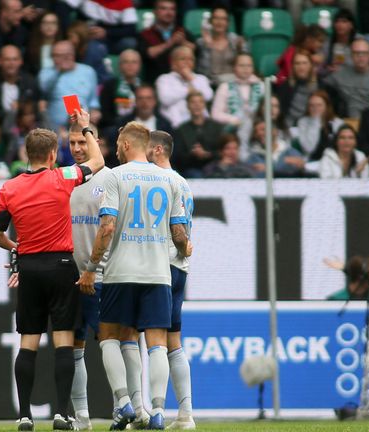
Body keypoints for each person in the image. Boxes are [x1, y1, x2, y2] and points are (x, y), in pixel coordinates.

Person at [0, 109, 104, 431]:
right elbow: (97, 163)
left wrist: (17, 248)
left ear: (28, 154)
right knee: (64, 340)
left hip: (29, 267)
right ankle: (60, 412)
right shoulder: (62, 177)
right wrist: (86, 128)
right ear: (53, 154)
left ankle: (24, 415)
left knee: (28, 341)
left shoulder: (9, 188)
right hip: (61, 266)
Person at [78, 121, 190, 430]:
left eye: (116, 144)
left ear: (127, 145)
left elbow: (107, 227)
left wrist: (90, 268)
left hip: (121, 272)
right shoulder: (171, 180)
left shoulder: (114, 176)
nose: (114, 149)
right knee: (157, 343)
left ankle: (125, 403)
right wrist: (185, 249)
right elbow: (179, 233)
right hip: (158, 273)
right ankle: (156, 411)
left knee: (109, 336)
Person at [145, 130, 196, 429]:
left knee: (154, 341)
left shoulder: (160, 181)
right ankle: (186, 414)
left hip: (162, 265)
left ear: (159, 149)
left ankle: (155, 410)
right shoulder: (184, 183)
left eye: (148, 149)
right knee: (173, 340)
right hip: (180, 267)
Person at [65, 121, 112, 431]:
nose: (78, 148)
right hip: (70, 276)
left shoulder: (110, 179)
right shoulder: (64, 178)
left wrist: (93, 271)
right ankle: (82, 419)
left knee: (117, 345)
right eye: (72, 143)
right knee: (73, 347)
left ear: (96, 144)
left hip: (105, 277)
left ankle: (130, 408)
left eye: (83, 142)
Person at [38, 40, 101, 130]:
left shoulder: (88, 71)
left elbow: (94, 100)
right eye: (57, 55)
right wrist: (59, 72)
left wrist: (95, 111)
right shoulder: (46, 73)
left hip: (83, 125)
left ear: (73, 55)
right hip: (54, 127)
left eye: (66, 55)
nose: (62, 58)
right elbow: (44, 90)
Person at [323, 38, 369, 119]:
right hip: (346, 122)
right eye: (356, 53)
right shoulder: (340, 74)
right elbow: (321, 89)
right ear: (351, 55)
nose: (360, 56)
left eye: (364, 53)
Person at [210, 53, 264, 151]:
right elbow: (215, 114)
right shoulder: (225, 87)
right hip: (234, 129)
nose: (245, 69)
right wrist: (234, 119)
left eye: (248, 65)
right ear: (234, 68)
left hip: (258, 130)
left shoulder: (261, 86)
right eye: (241, 65)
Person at [0, 44, 40, 132]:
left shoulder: (30, 82)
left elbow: (36, 108)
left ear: (21, 61)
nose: (11, 63)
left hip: (25, 131)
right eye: (7, 59)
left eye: (15, 59)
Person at [155, 45, 213, 128]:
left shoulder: (201, 78)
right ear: (173, 63)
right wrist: (188, 90)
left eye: (191, 59)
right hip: (173, 126)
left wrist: (191, 79)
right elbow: (165, 99)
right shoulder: (164, 79)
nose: (187, 62)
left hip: (200, 126)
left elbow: (208, 96)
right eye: (183, 59)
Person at [138, 0, 196, 82]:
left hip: (183, 80)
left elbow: (196, 50)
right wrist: (170, 43)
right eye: (163, 9)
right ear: (155, 12)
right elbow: (147, 53)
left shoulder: (182, 32)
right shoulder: (145, 34)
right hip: (155, 80)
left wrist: (183, 42)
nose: (169, 13)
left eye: (172, 9)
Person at [173, 91, 223, 178]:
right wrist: (193, 154)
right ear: (188, 106)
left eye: (200, 102)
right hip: (191, 168)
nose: (197, 105)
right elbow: (178, 156)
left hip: (214, 167)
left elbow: (221, 151)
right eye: (193, 102)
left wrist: (207, 154)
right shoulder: (181, 130)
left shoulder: (216, 127)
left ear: (204, 105)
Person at [292, 89, 344, 172]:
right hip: (310, 162)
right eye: (312, 105)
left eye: (319, 105)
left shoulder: (337, 123)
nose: (315, 108)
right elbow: (309, 148)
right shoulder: (303, 122)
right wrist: (315, 121)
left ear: (327, 106)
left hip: (333, 162)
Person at [195, 6, 245, 87]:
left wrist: (240, 49)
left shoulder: (235, 40)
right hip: (210, 85)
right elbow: (201, 71)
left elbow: (245, 65)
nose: (219, 22)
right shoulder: (201, 42)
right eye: (216, 18)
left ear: (228, 23)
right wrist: (207, 47)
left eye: (223, 19)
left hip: (233, 84)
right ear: (210, 21)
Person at [100, 48, 142, 130]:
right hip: (117, 129)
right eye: (126, 62)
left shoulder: (145, 88)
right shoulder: (109, 85)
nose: (130, 65)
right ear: (119, 65)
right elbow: (106, 115)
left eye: (134, 62)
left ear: (140, 65)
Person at [66, 20, 112, 85]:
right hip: (84, 86)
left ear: (80, 36)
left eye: (71, 36)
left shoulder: (94, 50)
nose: (69, 40)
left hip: (100, 86)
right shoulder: (75, 50)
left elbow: (87, 78)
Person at [25, 12, 62, 77]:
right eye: (45, 23)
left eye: (53, 23)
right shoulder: (31, 49)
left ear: (58, 27)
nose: (49, 26)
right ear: (40, 26)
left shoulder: (63, 48)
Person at [324, 8, 360, 74]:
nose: (340, 25)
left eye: (344, 21)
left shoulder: (359, 41)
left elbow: (362, 62)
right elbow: (323, 61)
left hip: (354, 75)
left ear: (351, 25)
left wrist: (344, 67)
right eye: (337, 21)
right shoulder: (329, 41)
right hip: (333, 75)